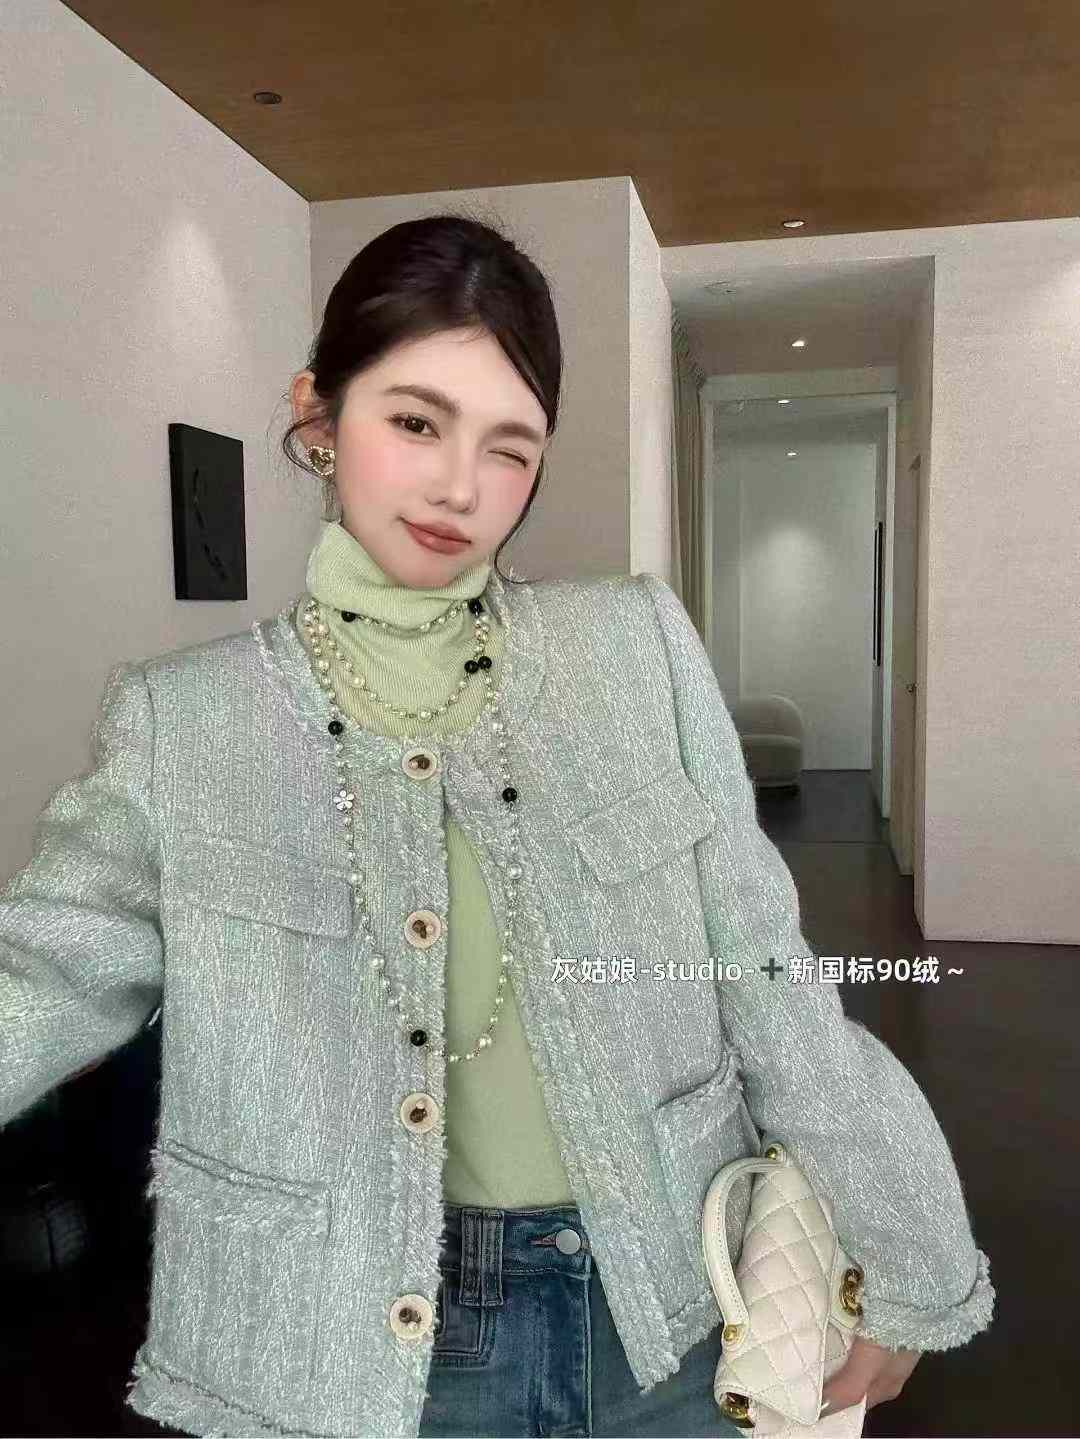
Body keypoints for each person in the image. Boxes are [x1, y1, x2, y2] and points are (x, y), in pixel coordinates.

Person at [0, 213, 993, 1439]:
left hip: (668, 1300)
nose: (461, 487)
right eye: (416, 422)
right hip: (339, 1336)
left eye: (509, 447)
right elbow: (42, 975)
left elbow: (764, 966)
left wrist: (908, 1243)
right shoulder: (186, 722)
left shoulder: (630, 647)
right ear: (319, 414)